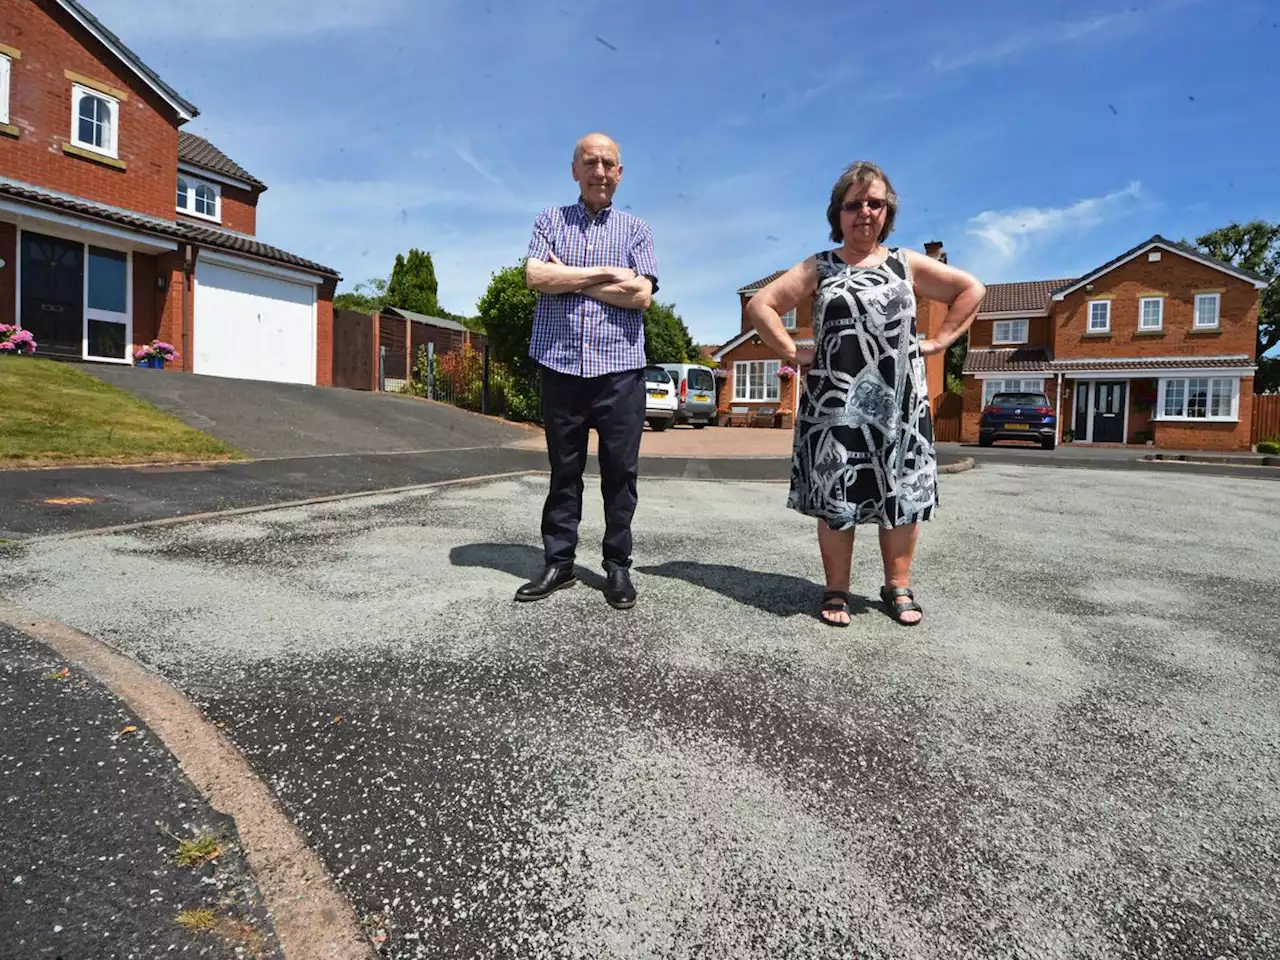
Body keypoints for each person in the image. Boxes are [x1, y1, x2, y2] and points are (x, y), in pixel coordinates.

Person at [745, 160, 984, 627]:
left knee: (900, 492)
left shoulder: (906, 263)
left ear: (887, 212)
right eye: (854, 204)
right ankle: (836, 589)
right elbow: (761, 305)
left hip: (899, 402)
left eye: (875, 203)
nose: (864, 212)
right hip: (835, 404)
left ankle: (897, 586)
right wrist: (794, 351)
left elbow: (971, 290)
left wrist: (939, 342)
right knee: (839, 490)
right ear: (838, 213)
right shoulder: (821, 265)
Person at [515, 132, 659, 610]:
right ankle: (559, 563)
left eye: (609, 163)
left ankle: (617, 566)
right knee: (564, 470)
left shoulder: (637, 230)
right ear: (574, 170)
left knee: (621, 473)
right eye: (590, 162)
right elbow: (537, 277)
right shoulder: (549, 220)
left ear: (620, 173)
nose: (600, 171)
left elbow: (641, 296)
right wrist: (608, 274)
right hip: (561, 366)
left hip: (621, 371)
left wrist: (572, 278)